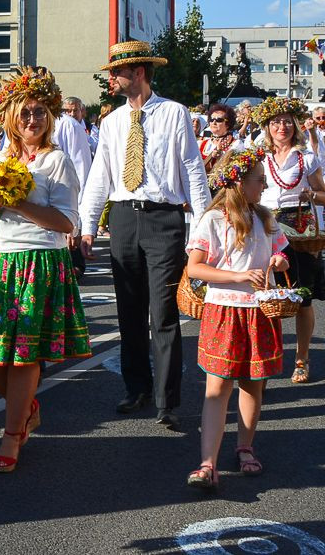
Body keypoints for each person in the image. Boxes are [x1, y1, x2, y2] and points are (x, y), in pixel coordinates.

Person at [0, 66, 90, 471]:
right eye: (26, 112)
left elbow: (67, 222)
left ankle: (12, 434)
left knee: (23, 356)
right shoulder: (1, 157)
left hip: (36, 260)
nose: (33, 119)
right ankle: (26, 407)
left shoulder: (57, 161)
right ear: (11, 116)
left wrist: (17, 203)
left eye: (41, 112)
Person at [80, 40, 210, 429]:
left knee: (164, 313)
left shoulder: (174, 113)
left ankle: (167, 400)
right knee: (129, 310)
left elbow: (193, 171)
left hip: (163, 219)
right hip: (123, 218)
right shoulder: (112, 122)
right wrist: (87, 227)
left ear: (138, 72)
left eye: (116, 73)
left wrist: (204, 232)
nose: (111, 80)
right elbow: (99, 176)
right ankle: (136, 387)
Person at [184, 149, 288, 491]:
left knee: (252, 383)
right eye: (259, 179)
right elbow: (195, 268)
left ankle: (245, 446)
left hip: (259, 310)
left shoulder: (265, 217)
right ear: (240, 182)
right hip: (224, 310)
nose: (265, 184)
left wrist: (278, 262)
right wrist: (238, 276)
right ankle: (207, 463)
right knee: (217, 387)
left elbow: (278, 254)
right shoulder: (214, 219)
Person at [252, 96, 325, 384]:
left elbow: (323, 193)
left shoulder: (306, 158)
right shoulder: (258, 156)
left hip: (299, 230)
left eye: (286, 122)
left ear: (295, 125)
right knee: (266, 297)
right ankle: (265, 363)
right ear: (267, 127)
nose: (281, 127)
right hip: (266, 227)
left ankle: (301, 359)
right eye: (275, 122)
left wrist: (311, 195)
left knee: (302, 298)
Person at [55, 96, 93, 279]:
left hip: (60, 209)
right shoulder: (18, 123)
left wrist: (75, 223)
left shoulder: (68, 125)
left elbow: (81, 174)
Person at [200, 103, 240, 173]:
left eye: (219, 120)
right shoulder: (201, 143)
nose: (214, 122)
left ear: (228, 124)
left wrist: (221, 158)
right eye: (211, 120)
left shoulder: (235, 144)